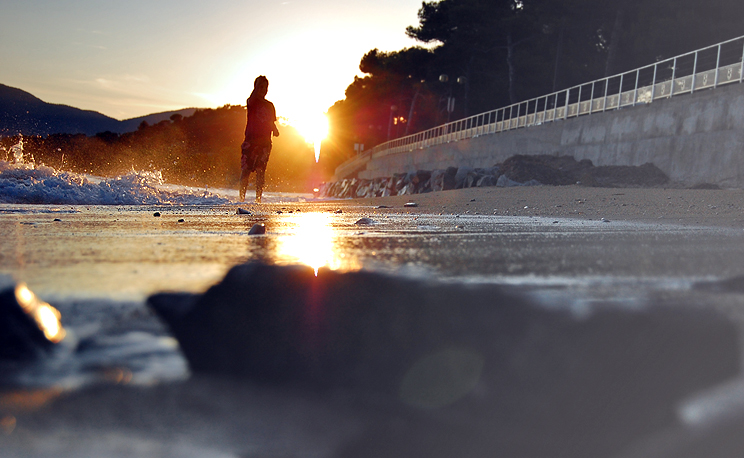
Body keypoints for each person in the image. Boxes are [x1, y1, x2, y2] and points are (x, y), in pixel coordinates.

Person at [239, 75, 280, 202]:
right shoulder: (252, 102)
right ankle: (241, 198)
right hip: (251, 141)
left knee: (260, 171)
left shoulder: (270, 106)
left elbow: (271, 122)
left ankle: (258, 199)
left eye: (265, 87)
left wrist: (275, 129)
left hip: (265, 143)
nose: (263, 89)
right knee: (246, 170)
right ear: (255, 87)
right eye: (260, 87)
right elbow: (252, 98)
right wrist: (256, 88)